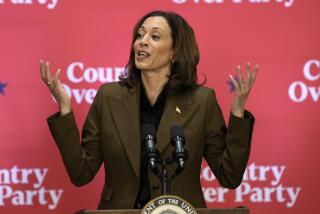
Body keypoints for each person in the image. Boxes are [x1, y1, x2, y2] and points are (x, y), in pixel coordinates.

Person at [40, 10, 258, 210]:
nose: (142, 42)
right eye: (140, 35)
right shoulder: (108, 97)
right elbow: (81, 173)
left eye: (154, 37)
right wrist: (65, 111)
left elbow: (229, 176)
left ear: (175, 52)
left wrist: (238, 113)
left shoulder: (202, 101)